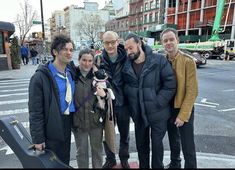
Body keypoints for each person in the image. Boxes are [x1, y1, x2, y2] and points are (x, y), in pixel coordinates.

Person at [122, 33, 176, 169]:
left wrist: (158, 102)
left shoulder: (158, 61)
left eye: (131, 48)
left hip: (158, 114)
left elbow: (170, 84)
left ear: (139, 43)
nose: (128, 52)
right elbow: (125, 89)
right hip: (139, 115)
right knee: (141, 146)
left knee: (157, 146)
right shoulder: (126, 67)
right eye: (126, 49)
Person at [28, 35, 75, 166]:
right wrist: (38, 139)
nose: (69, 53)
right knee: (51, 163)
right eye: (65, 49)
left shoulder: (70, 72)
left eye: (71, 50)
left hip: (66, 122)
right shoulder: (39, 78)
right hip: (50, 125)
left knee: (64, 160)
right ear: (55, 52)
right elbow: (35, 111)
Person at [160, 27, 198, 169]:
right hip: (168, 107)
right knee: (173, 140)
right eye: (165, 40)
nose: (169, 43)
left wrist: (182, 115)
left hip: (183, 107)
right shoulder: (162, 60)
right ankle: (175, 163)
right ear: (162, 43)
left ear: (177, 40)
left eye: (171, 39)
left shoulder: (188, 61)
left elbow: (192, 91)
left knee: (187, 143)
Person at [95, 31, 131, 169]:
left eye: (112, 42)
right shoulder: (98, 59)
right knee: (107, 133)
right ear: (103, 43)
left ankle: (124, 158)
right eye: (106, 43)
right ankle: (111, 159)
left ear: (117, 41)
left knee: (124, 134)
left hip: (124, 103)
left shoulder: (127, 57)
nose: (110, 45)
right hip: (107, 103)